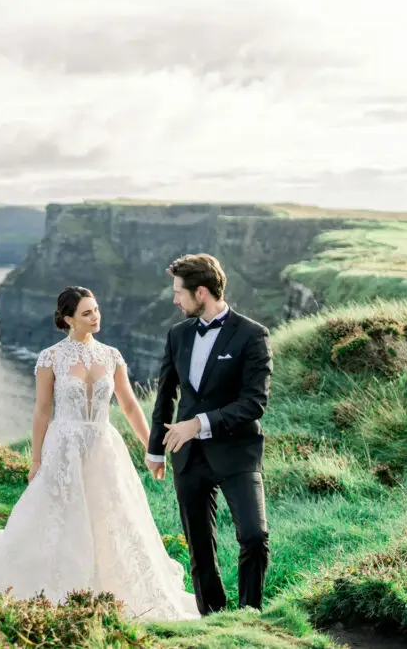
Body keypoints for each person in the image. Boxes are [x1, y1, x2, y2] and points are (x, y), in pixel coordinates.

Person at [0, 286, 200, 621]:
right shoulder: (51, 358)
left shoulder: (112, 356)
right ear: (68, 318)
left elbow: (131, 406)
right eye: (87, 313)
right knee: (59, 516)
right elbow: (43, 411)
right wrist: (36, 460)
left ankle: (110, 586)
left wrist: (152, 448)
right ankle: (57, 584)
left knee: (110, 515)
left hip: (103, 446)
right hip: (64, 447)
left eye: (97, 310)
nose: (95, 317)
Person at [145, 253, 272, 615]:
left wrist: (198, 423)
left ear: (201, 293)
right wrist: (156, 450)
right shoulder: (178, 334)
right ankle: (213, 618)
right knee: (200, 548)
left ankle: (251, 616)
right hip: (188, 456)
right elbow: (166, 394)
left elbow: (254, 403)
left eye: (179, 293)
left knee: (254, 536)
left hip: (237, 452)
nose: (174, 300)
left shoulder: (252, 335)